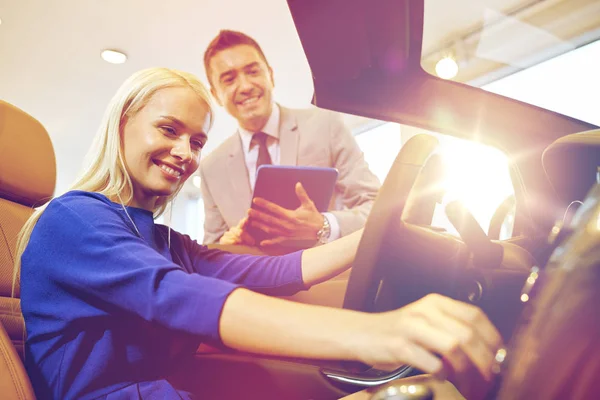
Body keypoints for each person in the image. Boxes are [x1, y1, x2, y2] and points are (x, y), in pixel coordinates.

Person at [16, 67, 501, 400]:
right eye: (168, 129)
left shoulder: (162, 240)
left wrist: (383, 232)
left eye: (197, 140)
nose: (185, 152)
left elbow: (270, 272)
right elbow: (178, 296)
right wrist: (377, 334)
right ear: (122, 124)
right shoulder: (72, 219)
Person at [199, 29, 381, 247]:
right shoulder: (211, 169)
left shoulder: (326, 125)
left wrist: (324, 225)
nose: (246, 86)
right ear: (215, 94)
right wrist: (226, 244)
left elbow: (375, 206)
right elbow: (210, 247)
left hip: (326, 276)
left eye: (253, 71)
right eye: (229, 79)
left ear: (271, 76)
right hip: (251, 281)